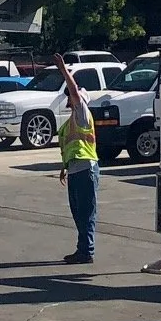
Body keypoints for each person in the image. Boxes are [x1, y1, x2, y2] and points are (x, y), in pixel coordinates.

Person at [55, 55, 99, 265]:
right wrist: (65, 167)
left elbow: (73, 91)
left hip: (86, 168)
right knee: (78, 212)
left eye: (73, 96)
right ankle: (82, 249)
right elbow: (70, 146)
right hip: (75, 169)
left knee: (85, 212)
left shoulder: (82, 112)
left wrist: (64, 71)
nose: (70, 97)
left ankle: (86, 251)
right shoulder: (73, 118)